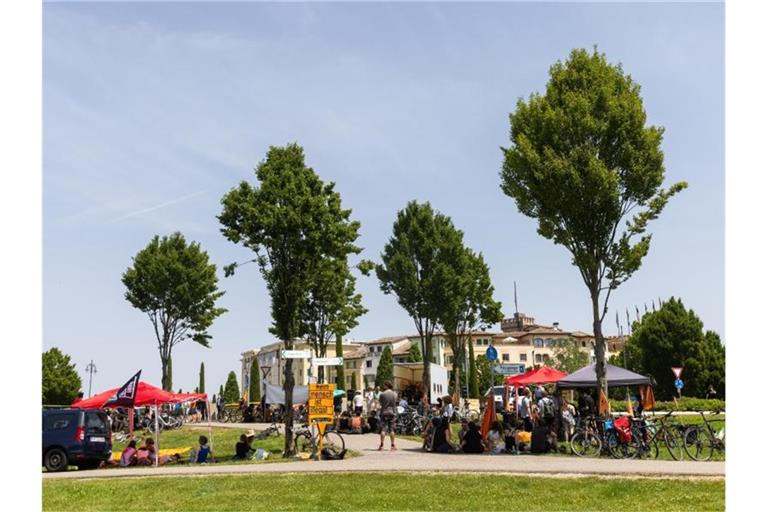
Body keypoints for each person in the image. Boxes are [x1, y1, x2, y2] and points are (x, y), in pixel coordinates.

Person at [377, 381, 398, 451]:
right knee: (392, 430)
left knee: (383, 429)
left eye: (384, 385)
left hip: (384, 413)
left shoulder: (382, 394)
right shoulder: (395, 394)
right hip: (392, 413)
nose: (383, 387)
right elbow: (395, 403)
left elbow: (380, 403)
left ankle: (382, 445)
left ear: (386, 386)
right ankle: (392, 445)